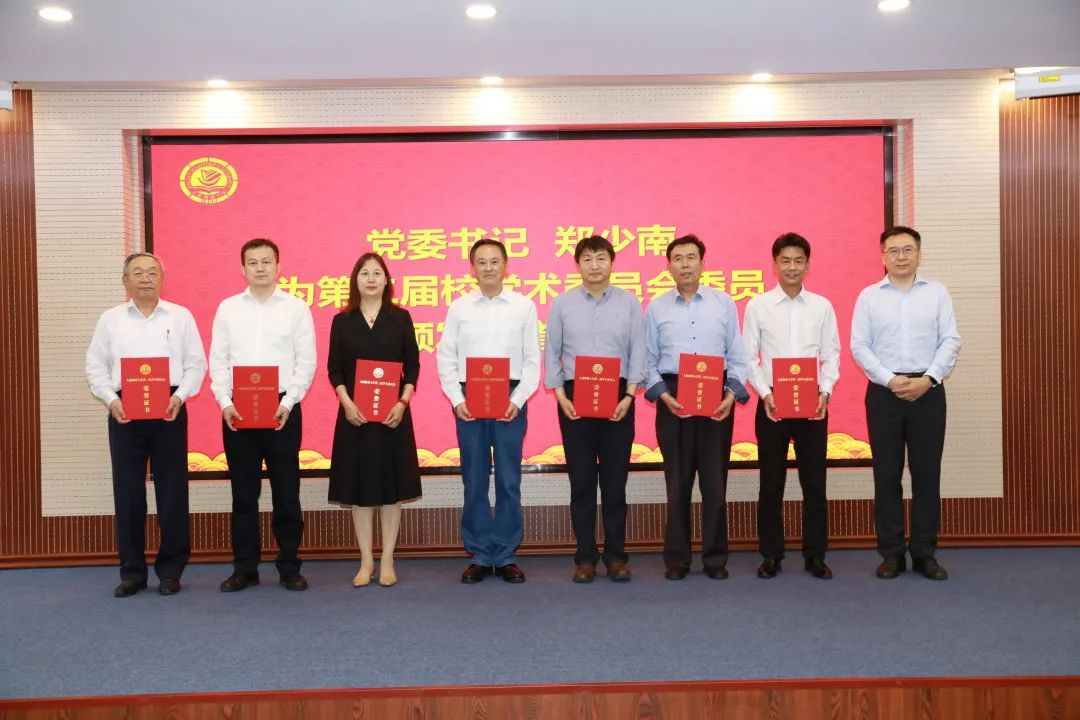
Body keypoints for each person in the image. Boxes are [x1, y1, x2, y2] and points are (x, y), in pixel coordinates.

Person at [85, 252, 206, 597]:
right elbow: (95, 366)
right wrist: (111, 399)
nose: (145, 278)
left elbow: (196, 364)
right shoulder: (110, 320)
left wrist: (180, 396)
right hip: (124, 410)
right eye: (137, 272)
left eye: (152, 272)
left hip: (169, 408)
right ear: (125, 281)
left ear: (163, 279)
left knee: (172, 491)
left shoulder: (181, 316)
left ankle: (171, 570)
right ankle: (132, 572)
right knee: (128, 492)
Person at [851, 226, 961, 581]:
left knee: (927, 474)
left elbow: (950, 340)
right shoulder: (869, 296)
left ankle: (925, 553)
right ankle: (892, 554)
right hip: (884, 393)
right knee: (886, 475)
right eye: (894, 250)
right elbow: (859, 345)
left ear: (919, 254)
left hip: (928, 391)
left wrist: (928, 379)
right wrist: (890, 379)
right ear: (882, 256)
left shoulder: (937, 293)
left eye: (908, 250)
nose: (901, 256)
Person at [209, 238, 317, 592]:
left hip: (282, 409)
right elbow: (218, 361)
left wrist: (289, 402)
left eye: (266, 261)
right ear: (243, 269)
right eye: (253, 262)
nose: (260, 268)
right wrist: (225, 402)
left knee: (287, 492)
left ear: (278, 266)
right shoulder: (228, 309)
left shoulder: (295, 308)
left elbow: (306, 362)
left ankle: (289, 566)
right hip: (238, 411)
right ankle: (245, 568)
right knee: (244, 495)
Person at [644, 234, 749, 580]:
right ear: (668, 266)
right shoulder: (656, 307)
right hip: (673, 396)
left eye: (691, 257)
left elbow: (738, 357)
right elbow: (647, 360)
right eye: (678, 258)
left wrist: (731, 395)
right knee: (677, 483)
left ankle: (715, 559)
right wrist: (663, 394)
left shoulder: (724, 304)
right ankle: (677, 559)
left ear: (703, 263)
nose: (685, 264)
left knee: (715, 484)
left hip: (716, 397)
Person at [436, 238, 541, 584]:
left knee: (509, 479)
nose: (488, 267)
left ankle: (506, 554)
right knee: (475, 478)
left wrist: (518, 399)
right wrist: (457, 399)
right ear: (472, 269)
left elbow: (532, 360)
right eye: (481, 262)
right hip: (470, 399)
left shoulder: (523, 306)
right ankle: (481, 553)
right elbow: (446, 357)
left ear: (506, 265)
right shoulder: (459, 308)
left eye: (495, 261)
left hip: (510, 397)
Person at [545, 235, 645, 583]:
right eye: (587, 259)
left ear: (612, 263)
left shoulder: (630, 303)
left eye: (601, 258)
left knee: (615, 484)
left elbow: (638, 350)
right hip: (575, 400)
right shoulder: (563, 304)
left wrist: (629, 396)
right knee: (582, 483)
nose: (594, 265)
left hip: (619, 397)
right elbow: (552, 352)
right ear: (578, 265)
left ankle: (616, 557)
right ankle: (585, 558)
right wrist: (561, 397)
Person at [742, 232, 840, 580]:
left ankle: (815, 555)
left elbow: (831, 354)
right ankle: (771, 554)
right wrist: (765, 394)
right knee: (771, 483)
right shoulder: (758, 306)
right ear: (775, 264)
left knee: (814, 483)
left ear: (808, 265)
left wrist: (824, 393)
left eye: (799, 261)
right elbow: (749, 356)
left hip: (813, 404)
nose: (792, 267)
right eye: (786, 260)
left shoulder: (822, 306)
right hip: (772, 404)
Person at [327, 253, 421, 587]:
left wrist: (403, 402)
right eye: (364, 273)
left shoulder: (400, 318)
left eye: (377, 273)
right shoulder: (342, 320)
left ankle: (388, 559)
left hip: (392, 416)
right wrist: (346, 402)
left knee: (391, 490)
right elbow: (335, 368)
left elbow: (412, 365)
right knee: (359, 489)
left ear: (386, 280)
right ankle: (366, 560)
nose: (370, 279)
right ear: (355, 280)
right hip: (355, 415)